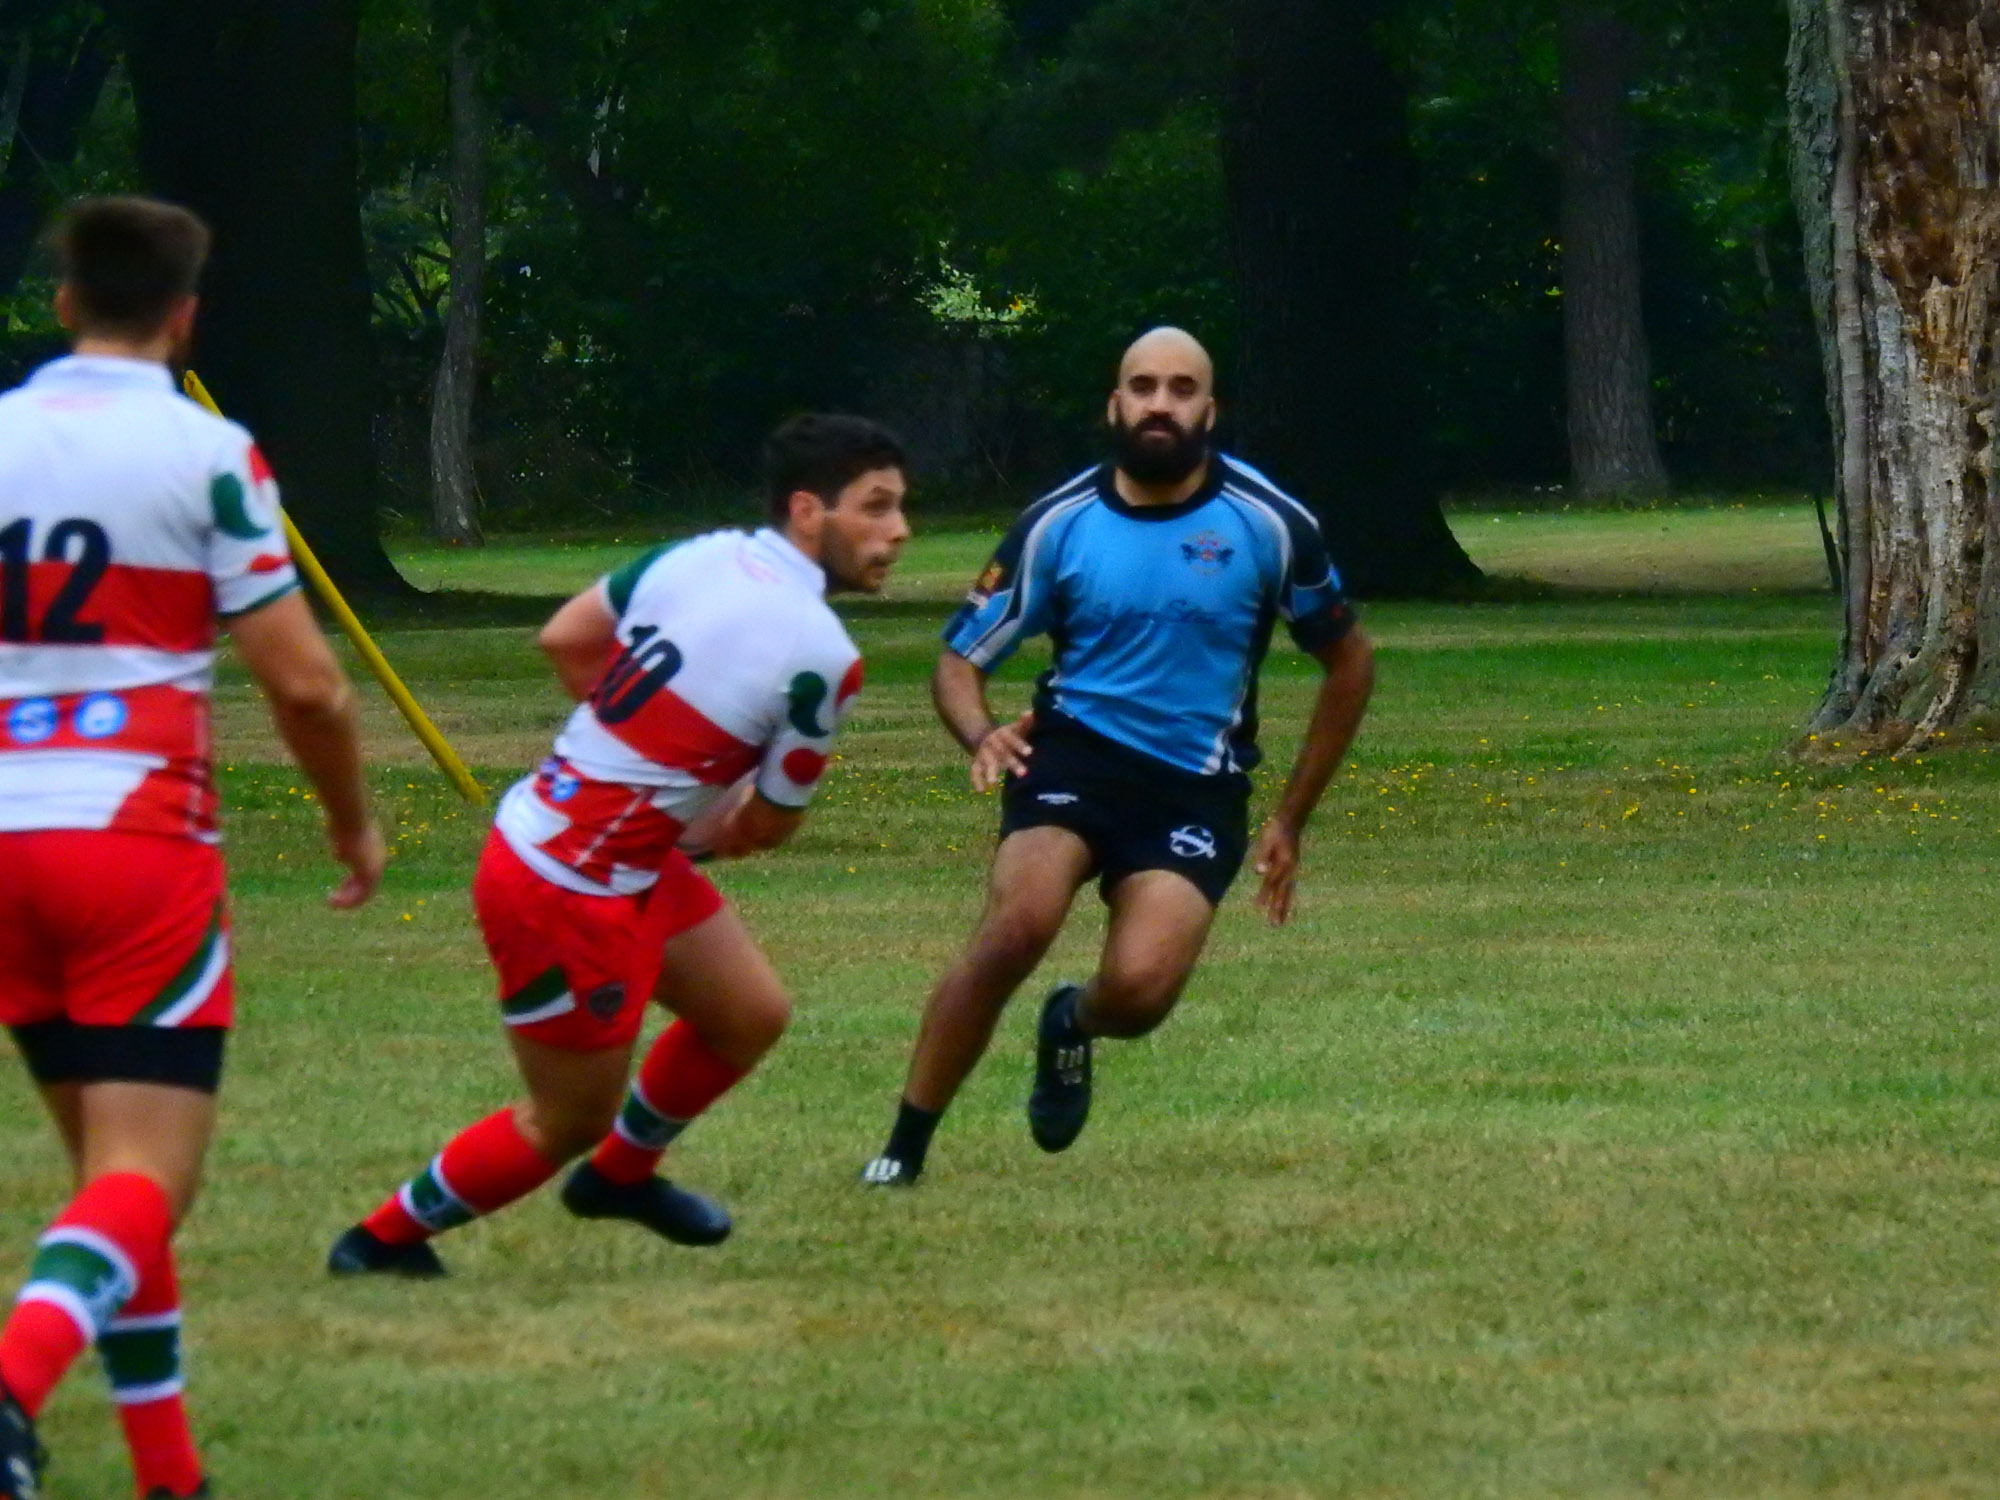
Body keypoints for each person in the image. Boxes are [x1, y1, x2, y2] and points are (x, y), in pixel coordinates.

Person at [0, 197, 385, 1500]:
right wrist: (351, 821)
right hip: (129, 839)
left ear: (64, 303)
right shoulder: (206, 453)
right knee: (145, 1176)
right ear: (185, 316)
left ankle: (170, 1475)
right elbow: (308, 687)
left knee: (110, 1184)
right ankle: (11, 1385)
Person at [329, 414, 909, 1277]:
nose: (900, 530)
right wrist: (709, 811)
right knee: (566, 1119)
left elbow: (566, 639)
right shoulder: (823, 656)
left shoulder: (700, 554)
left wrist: (626, 758)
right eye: (877, 506)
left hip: (597, 850)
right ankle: (379, 1242)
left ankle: (619, 1179)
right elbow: (766, 825)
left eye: (900, 508)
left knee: (747, 1016)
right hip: (565, 885)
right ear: (805, 510)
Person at [860, 327, 1374, 1188]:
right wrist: (981, 732)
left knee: (1138, 994)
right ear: (1114, 405)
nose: (1159, 405)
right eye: (1143, 387)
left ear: (1210, 410)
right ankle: (902, 1149)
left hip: (1194, 787)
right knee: (1016, 927)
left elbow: (1349, 662)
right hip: (1071, 761)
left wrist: (1290, 818)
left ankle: (1073, 1021)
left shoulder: (1269, 523)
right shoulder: (1059, 523)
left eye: (1181, 389)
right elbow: (959, 659)